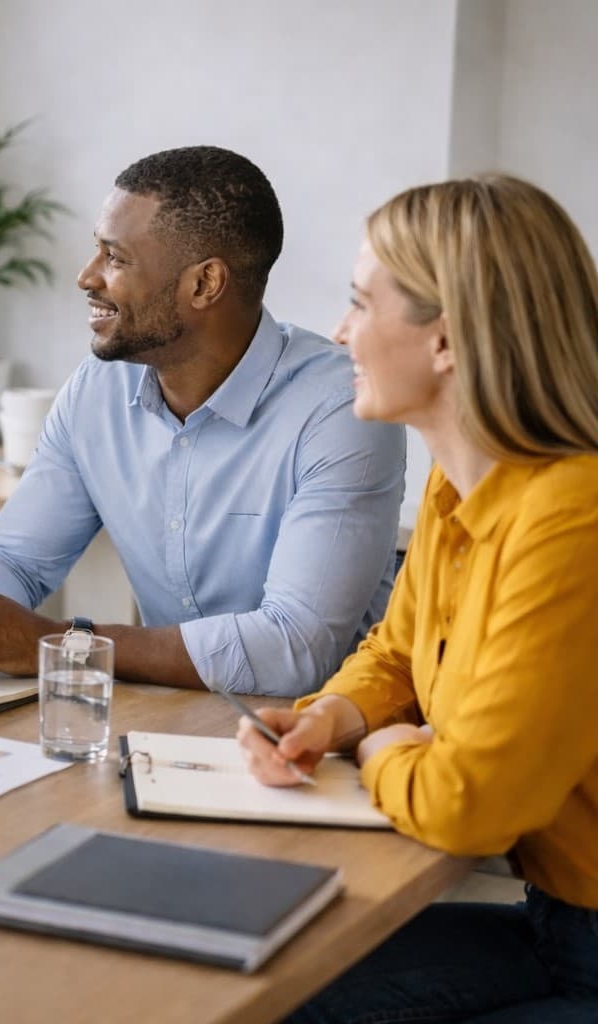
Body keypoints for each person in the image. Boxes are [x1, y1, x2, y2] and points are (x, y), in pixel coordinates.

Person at [238, 177, 598, 1020]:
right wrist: (334, 719)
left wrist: (379, 754)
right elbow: (399, 652)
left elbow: (471, 806)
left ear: (446, 339)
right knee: (262, 983)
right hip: (555, 921)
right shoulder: (456, 485)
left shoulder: (572, 519)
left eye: (361, 304)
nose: (340, 331)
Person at [0, 146, 405, 696]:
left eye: (115, 258)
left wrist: (60, 644)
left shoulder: (341, 408)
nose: (86, 277)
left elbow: (295, 647)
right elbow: (16, 557)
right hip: (164, 721)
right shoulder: (96, 389)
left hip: (319, 731)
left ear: (204, 283)